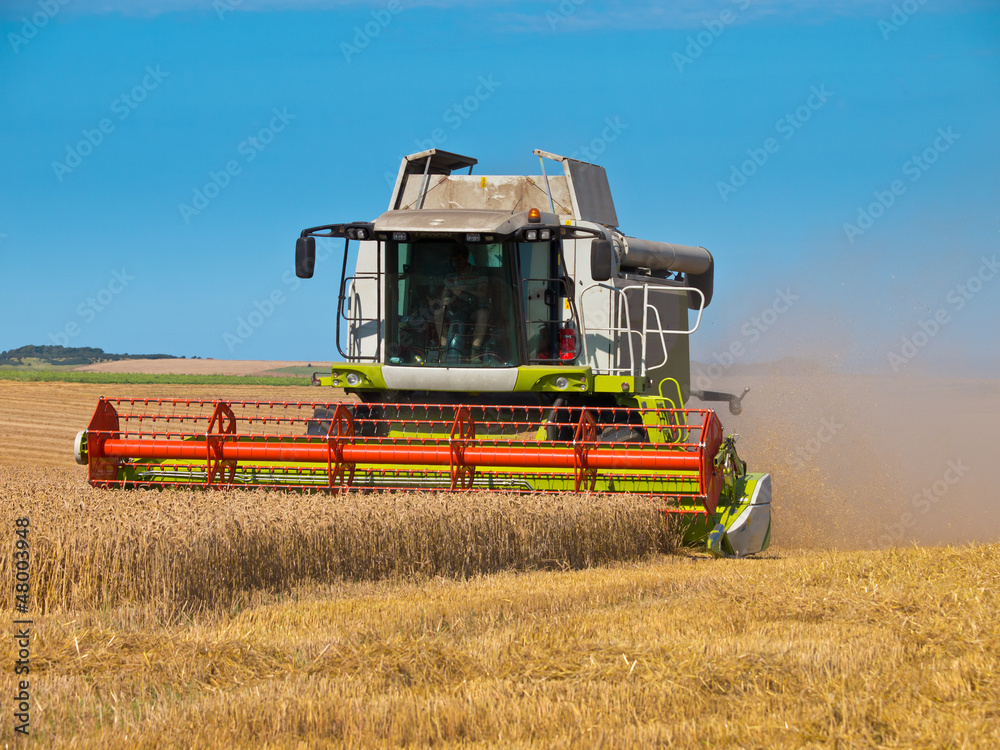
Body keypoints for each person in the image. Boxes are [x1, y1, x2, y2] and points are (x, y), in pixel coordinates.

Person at [434, 244, 489, 355]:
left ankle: (475, 351)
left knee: (483, 313)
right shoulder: (450, 276)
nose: (456, 264)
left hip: (474, 309)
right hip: (456, 310)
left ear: (467, 258)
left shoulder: (479, 273)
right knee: (438, 313)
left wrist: (466, 290)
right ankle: (445, 350)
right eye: (454, 261)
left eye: (459, 260)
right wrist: (447, 300)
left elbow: (483, 293)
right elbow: (445, 295)